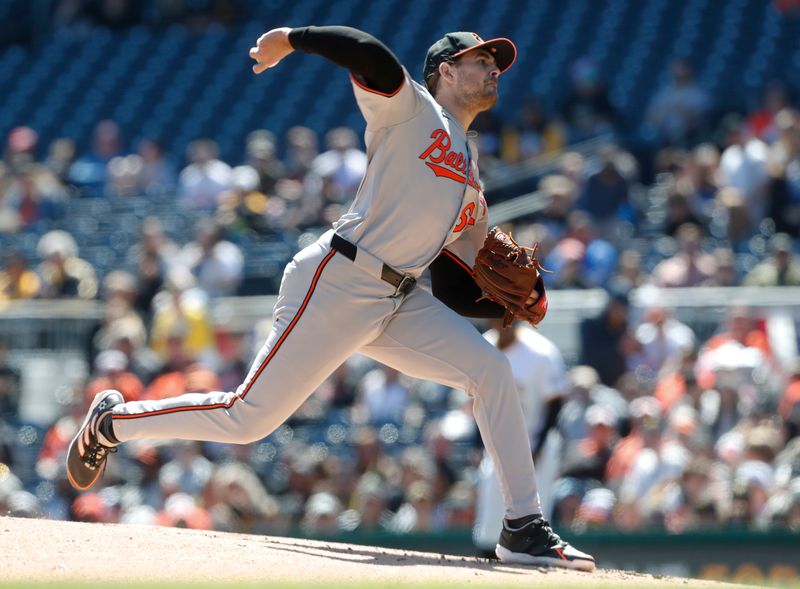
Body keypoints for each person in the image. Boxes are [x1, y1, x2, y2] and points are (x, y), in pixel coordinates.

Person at [65, 25, 594, 570]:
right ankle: (112, 423)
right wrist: (293, 39)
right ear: (447, 73)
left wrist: (517, 298)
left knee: (491, 370)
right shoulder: (411, 109)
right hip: (339, 279)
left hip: (398, 299)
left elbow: (460, 286)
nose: (491, 69)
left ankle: (523, 526)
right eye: (479, 60)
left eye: (495, 63)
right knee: (249, 419)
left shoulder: (470, 171)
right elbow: (369, 53)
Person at [473, 318, 568, 555]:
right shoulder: (482, 345)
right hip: (497, 442)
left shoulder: (541, 352)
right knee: (491, 513)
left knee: (535, 514)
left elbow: (555, 404)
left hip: (536, 444)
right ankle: (486, 568)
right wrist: (478, 443)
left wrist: (538, 447)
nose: (500, 321)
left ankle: (536, 564)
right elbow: (477, 400)